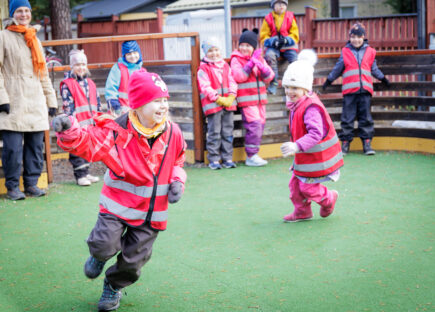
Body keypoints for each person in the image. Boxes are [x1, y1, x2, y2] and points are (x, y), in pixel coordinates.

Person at [52, 69, 187, 311]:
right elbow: (88, 142)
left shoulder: (173, 132)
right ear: (137, 105)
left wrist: (178, 180)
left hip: (150, 214)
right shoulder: (117, 132)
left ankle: (113, 286)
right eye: (156, 100)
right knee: (104, 244)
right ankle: (98, 256)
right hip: (117, 207)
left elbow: (178, 160)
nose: (163, 105)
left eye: (165, 100)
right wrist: (69, 129)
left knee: (133, 262)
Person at [0, 0, 57, 200]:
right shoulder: (3, 37)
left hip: (35, 100)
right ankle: (13, 186)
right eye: (20, 11)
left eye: (27, 11)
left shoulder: (34, 39)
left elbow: (42, 74)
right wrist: (2, 98)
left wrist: (51, 101)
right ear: (13, 13)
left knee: (35, 146)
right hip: (13, 99)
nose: (24, 14)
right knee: (12, 149)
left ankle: (31, 184)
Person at [280, 49, 343, 222]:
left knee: (308, 188)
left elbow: (316, 133)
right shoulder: (297, 103)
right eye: (287, 87)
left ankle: (329, 199)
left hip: (317, 157)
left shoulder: (310, 107)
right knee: (295, 186)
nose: (289, 92)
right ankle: (302, 211)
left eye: (294, 88)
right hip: (305, 157)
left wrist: (296, 145)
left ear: (305, 88)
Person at [322, 23, 390, 155]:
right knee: (347, 118)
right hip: (349, 93)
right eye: (353, 37)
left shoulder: (370, 52)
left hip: (365, 92)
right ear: (349, 38)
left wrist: (383, 79)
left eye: (359, 37)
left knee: (366, 118)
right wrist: (329, 80)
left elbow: (374, 69)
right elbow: (338, 68)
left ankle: (367, 144)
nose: (356, 40)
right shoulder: (345, 51)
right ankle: (345, 145)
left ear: (363, 37)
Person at [230, 29, 275, 167]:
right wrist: (250, 64)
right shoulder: (236, 59)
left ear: (253, 47)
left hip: (260, 100)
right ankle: (251, 156)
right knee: (254, 126)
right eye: (242, 45)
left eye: (248, 46)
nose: (244, 48)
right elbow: (239, 76)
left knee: (260, 126)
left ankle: (254, 154)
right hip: (247, 100)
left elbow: (269, 77)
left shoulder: (259, 58)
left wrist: (261, 66)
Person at [60, 49, 101, 186]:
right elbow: (68, 105)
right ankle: (80, 175)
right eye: (77, 65)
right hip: (77, 123)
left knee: (87, 148)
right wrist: (72, 123)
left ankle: (87, 172)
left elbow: (97, 102)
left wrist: (99, 117)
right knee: (77, 149)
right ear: (72, 67)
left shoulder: (91, 83)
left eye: (83, 65)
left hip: (90, 122)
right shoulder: (68, 84)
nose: (81, 68)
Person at [197, 37, 238, 170]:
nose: (214, 53)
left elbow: (232, 80)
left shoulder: (226, 65)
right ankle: (214, 159)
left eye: (216, 50)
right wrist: (217, 98)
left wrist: (232, 95)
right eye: (210, 51)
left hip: (228, 104)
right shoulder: (203, 68)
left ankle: (227, 158)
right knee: (214, 132)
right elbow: (204, 86)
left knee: (228, 131)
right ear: (205, 53)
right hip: (213, 105)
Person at [260, 0, 299, 95]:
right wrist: (273, 41)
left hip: (287, 45)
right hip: (274, 45)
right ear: (273, 6)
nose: (281, 6)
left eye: (283, 3)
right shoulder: (268, 18)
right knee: (269, 56)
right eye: (278, 3)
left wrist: (287, 40)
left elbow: (295, 33)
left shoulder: (290, 16)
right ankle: (274, 81)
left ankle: (294, 80)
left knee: (294, 59)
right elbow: (264, 35)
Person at [105, 40, 144, 116]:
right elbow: (111, 85)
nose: (132, 56)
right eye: (129, 54)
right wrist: (113, 101)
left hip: (138, 111)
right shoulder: (118, 68)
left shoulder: (142, 71)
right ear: (124, 56)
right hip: (120, 110)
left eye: (135, 53)